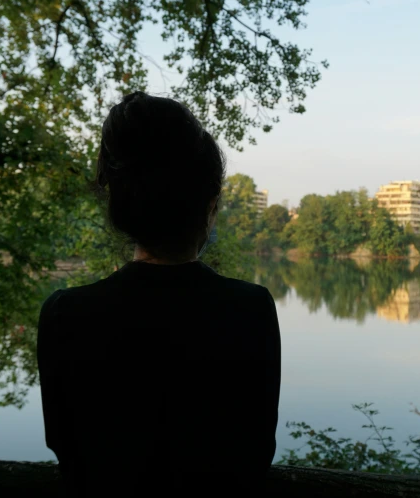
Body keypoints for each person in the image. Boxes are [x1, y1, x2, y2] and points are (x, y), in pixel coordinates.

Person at [37, 92, 281, 496]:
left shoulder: (65, 315)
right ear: (210, 206)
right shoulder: (250, 310)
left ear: (119, 204)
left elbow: (66, 450)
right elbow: (256, 454)